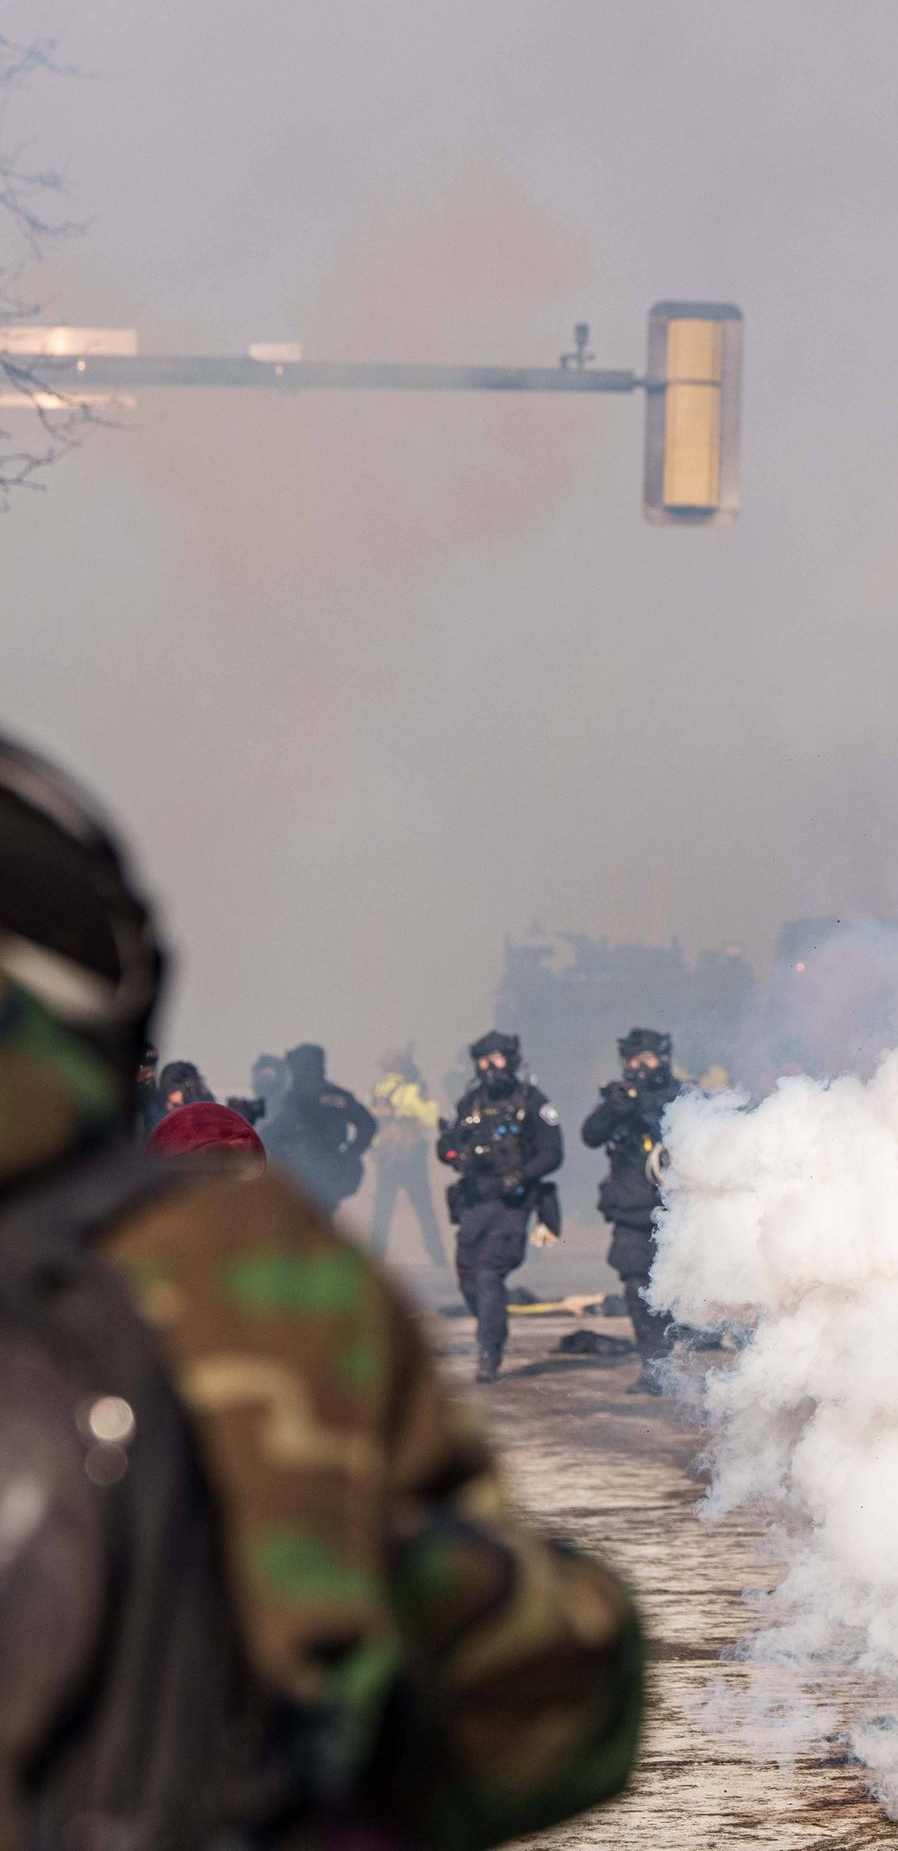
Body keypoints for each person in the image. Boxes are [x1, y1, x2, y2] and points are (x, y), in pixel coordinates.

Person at [0, 732, 643, 1847]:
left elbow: (533, 1146)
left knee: (505, 1285)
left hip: (522, 1209)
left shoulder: (461, 1124)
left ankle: (494, 1338)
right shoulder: (228, 1265)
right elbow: (544, 1702)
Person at [437, 1031, 563, 1382]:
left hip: (513, 1203)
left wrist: (522, 1174)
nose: (491, 1066)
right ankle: (491, 1325)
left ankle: (489, 1351)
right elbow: (446, 1144)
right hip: (475, 1201)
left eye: (498, 1058)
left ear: (512, 1059)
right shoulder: (469, 1104)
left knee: (490, 1273)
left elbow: (553, 1152)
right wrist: (450, 1150)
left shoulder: (533, 1102)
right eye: (484, 1059)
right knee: (467, 1276)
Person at [581, 1028, 680, 1376]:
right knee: (636, 1287)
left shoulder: (680, 1095)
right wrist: (614, 1111)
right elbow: (590, 1136)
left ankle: (667, 1361)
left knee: (674, 1290)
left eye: (647, 1058)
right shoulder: (617, 1099)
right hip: (631, 1211)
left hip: (675, 1212)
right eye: (634, 1059)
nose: (640, 1065)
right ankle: (652, 1366)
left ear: (662, 1059)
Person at [262, 1042, 377, 1218]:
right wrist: (350, 1153)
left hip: (305, 1172)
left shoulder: (298, 1096)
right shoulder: (341, 1095)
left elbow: (280, 1129)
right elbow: (368, 1124)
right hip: (335, 1170)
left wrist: (257, 1140)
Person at [369, 1044, 447, 1267]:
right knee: (424, 1210)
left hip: (385, 1156)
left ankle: (375, 1259)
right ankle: (438, 1257)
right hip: (410, 1157)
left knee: (382, 1210)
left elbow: (374, 1123)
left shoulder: (377, 1090)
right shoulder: (410, 1091)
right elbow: (429, 1117)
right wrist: (427, 1100)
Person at [227, 1050, 288, 1130]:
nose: (261, 1078)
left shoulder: (286, 1108)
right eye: (257, 1073)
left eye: (267, 1074)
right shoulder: (249, 1109)